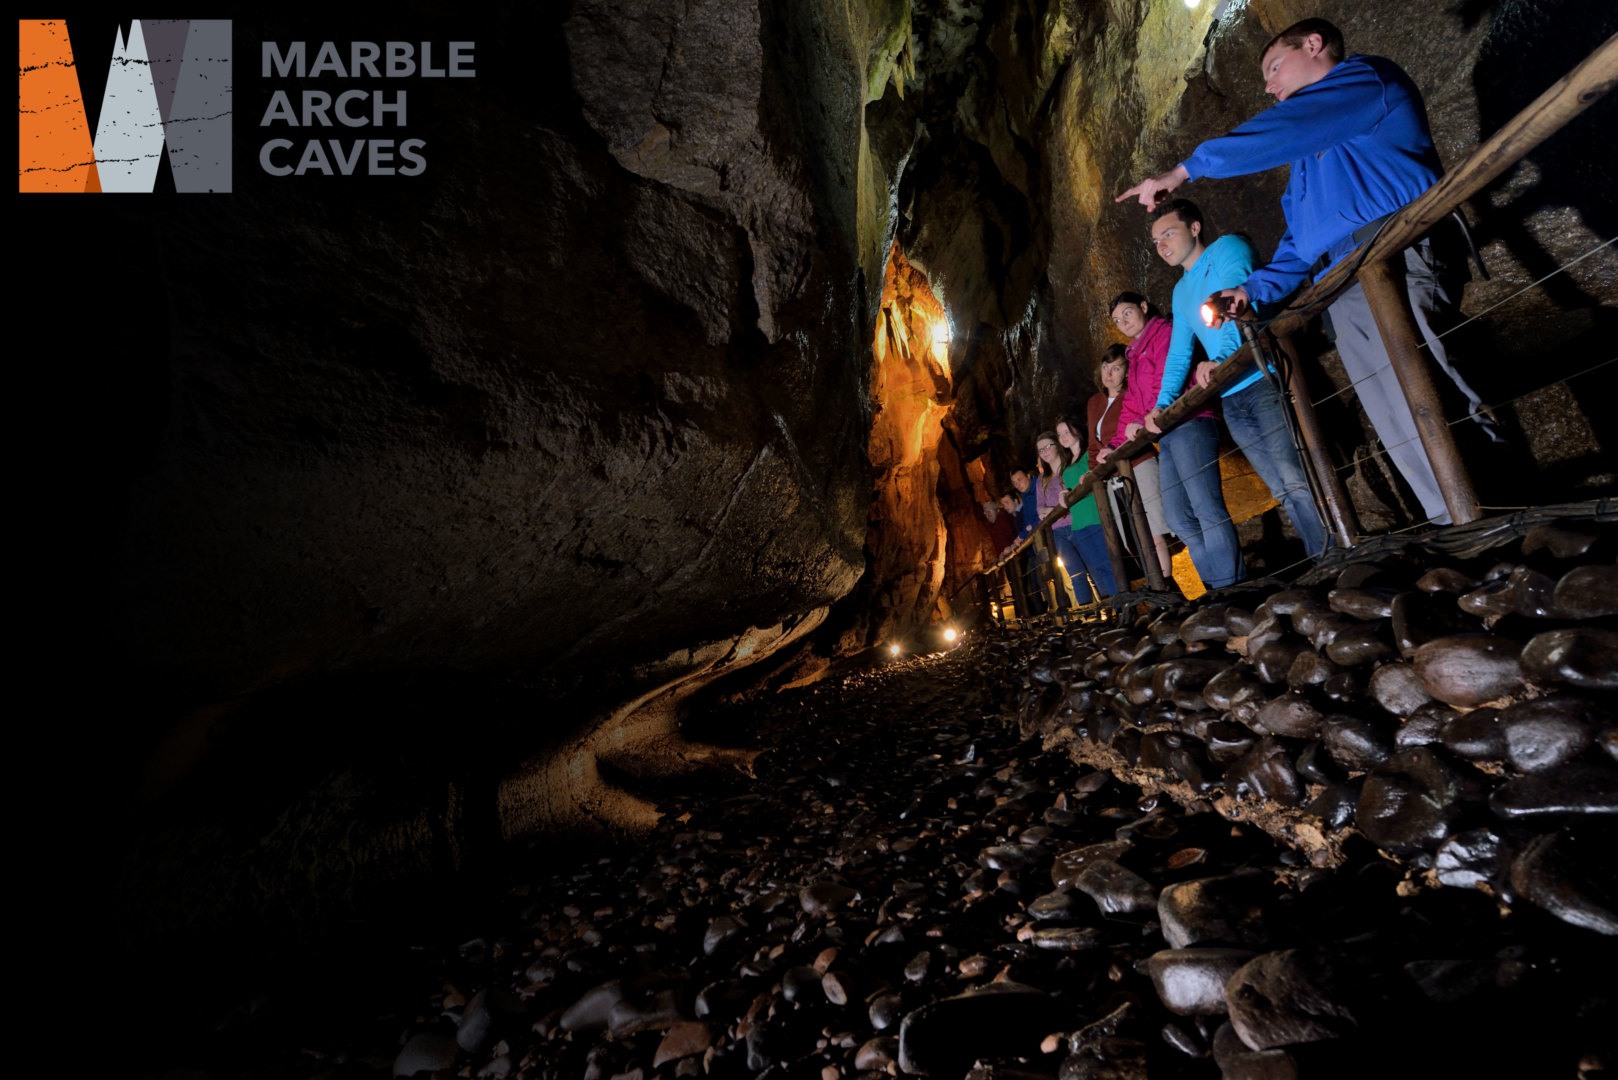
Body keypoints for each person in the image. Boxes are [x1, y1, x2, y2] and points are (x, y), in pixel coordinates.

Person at [1116, 17, 1501, 525]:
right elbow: (1300, 241)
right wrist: (1251, 290)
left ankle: (1498, 506)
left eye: (1275, 68)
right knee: (1391, 408)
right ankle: (1450, 521)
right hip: (1340, 279)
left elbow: (1286, 127)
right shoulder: (1310, 156)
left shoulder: (1367, 80)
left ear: (1315, 46)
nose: (1270, 86)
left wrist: (1186, 169)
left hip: (1394, 252)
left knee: (1433, 381)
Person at [1146, 199, 1329, 559]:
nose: (1162, 246)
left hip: (1265, 374)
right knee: (1280, 485)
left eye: (1168, 233)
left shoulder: (1228, 248)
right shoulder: (1180, 292)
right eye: (1156, 241)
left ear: (1194, 228)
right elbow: (1180, 353)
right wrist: (1161, 404)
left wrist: (1217, 359)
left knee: (1295, 474)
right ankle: (1322, 558)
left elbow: (1237, 304)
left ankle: (1335, 551)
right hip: (1230, 395)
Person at [1099, 282, 1243, 589]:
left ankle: (1232, 584)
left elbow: (1169, 375)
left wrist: (1145, 416)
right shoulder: (1134, 355)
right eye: (1117, 320)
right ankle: (1215, 584)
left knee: (1206, 506)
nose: (1123, 322)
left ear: (1144, 307)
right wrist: (1112, 445)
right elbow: (1133, 405)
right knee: (1177, 517)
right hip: (1166, 435)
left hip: (1190, 421)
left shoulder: (1164, 332)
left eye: (1127, 313)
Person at [1088, 342, 1173, 578]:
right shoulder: (1095, 402)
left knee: (1153, 532)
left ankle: (1166, 587)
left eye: (1116, 368)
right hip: (1114, 477)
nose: (1109, 374)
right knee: (1131, 538)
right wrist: (1093, 472)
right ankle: (1157, 588)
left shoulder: (1132, 394)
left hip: (1139, 464)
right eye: (1106, 367)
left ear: (1126, 372)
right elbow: (1092, 444)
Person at [1055, 418, 1117, 598]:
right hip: (1079, 522)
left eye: (1066, 432)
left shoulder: (1088, 455)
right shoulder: (1066, 464)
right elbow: (1071, 486)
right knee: (1097, 568)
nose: (1063, 437)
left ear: (1076, 431)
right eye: (1059, 435)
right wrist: (1063, 494)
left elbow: (1099, 473)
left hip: (1096, 514)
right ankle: (1116, 606)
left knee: (1108, 564)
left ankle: (1125, 604)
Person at [1034, 431, 1098, 605]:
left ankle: (1109, 606)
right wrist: (1044, 511)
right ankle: (1089, 611)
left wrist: (1054, 509)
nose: (1044, 452)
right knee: (1075, 573)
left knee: (1093, 567)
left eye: (1047, 447)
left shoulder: (1068, 468)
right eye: (1040, 450)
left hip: (1077, 523)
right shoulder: (1041, 479)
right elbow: (1040, 506)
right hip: (1058, 532)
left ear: (1057, 445)